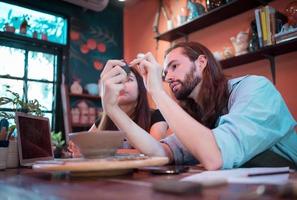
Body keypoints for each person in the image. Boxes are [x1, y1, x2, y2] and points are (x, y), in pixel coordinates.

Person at [103, 42, 297, 170]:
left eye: (174, 66)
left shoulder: (255, 88)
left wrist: (157, 92)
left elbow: (215, 157)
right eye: (164, 73)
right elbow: (160, 152)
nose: (168, 77)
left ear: (201, 62)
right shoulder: (197, 114)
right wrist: (112, 109)